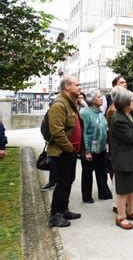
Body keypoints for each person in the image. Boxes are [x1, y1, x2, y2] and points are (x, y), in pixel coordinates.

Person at [47, 76, 84, 228]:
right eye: (77, 85)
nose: (80, 87)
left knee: (68, 181)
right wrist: (70, 149)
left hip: (71, 152)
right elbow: (57, 132)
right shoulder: (59, 105)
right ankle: (55, 215)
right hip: (62, 152)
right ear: (67, 86)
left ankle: (64, 209)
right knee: (62, 183)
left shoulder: (71, 103)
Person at [110, 89, 133, 230]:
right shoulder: (117, 118)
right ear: (125, 103)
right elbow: (131, 136)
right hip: (123, 158)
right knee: (123, 189)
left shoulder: (132, 113)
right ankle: (121, 216)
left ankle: (131, 211)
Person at [79, 89, 112, 204]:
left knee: (102, 172)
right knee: (88, 174)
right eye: (98, 97)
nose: (102, 98)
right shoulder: (84, 113)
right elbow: (83, 133)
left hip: (101, 148)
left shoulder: (99, 112)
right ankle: (87, 196)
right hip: (90, 149)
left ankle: (103, 192)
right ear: (92, 100)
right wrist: (87, 151)